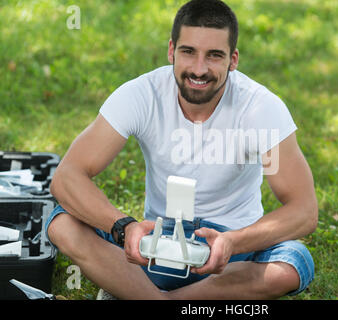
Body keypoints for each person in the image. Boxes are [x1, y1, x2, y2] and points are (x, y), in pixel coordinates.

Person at [45, 0, 318, 300]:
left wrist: (233, 242)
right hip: (155, 244)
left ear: (233, 59)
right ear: (171, 50)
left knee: (291, 263)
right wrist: (124, 227)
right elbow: (67, 177)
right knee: (63, 225)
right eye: (189, 52)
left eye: (214, 56)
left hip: (230, 255)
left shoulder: (260, 109)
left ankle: (138, 292)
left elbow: (303, 210)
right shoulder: (142, 94)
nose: (199, 69)